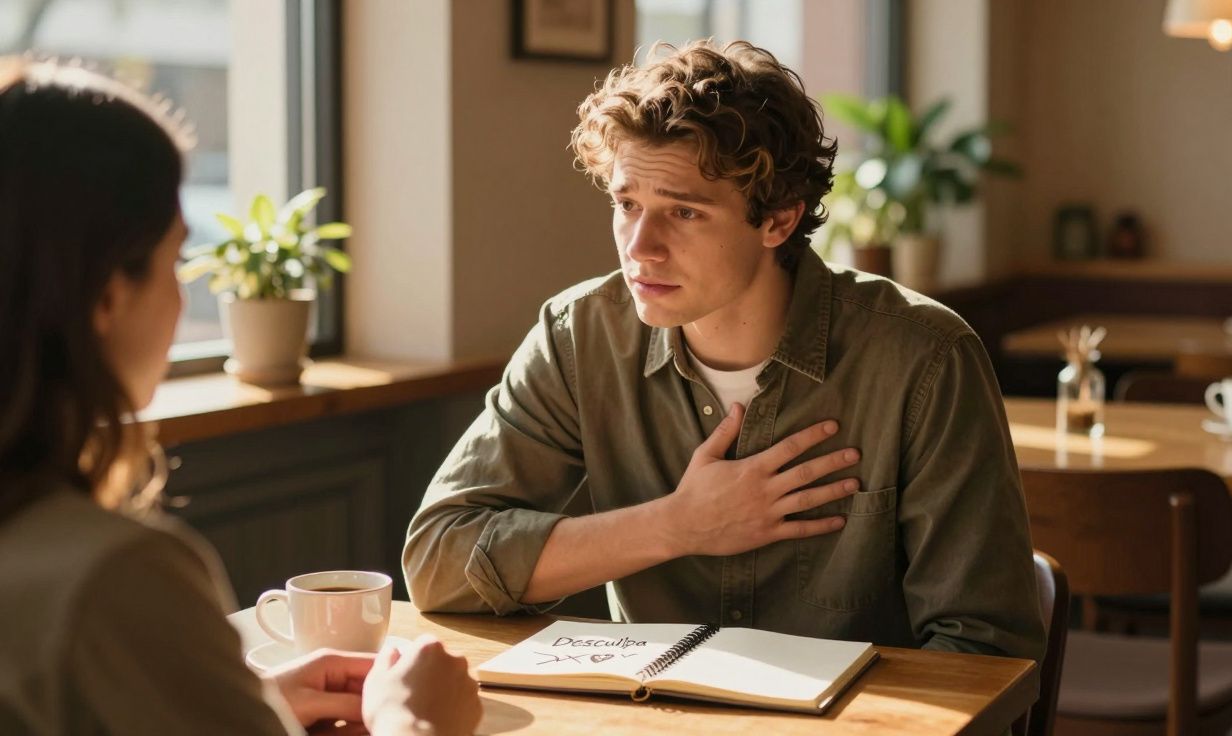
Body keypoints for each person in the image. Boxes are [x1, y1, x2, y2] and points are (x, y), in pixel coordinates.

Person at [403, 41, 1045, 661]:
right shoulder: (578, 337)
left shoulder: (925, 358)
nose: (640, 247)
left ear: (778, 221)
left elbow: (983, 649)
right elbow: (437, 560)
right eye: (627, 204)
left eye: (684, 214)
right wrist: (675, 525)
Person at [0, 58, 481, 735]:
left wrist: (237, 698)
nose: (181, 299)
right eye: (175, 264)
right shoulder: (114, 577)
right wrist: (416, 720)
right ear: (107, 295)